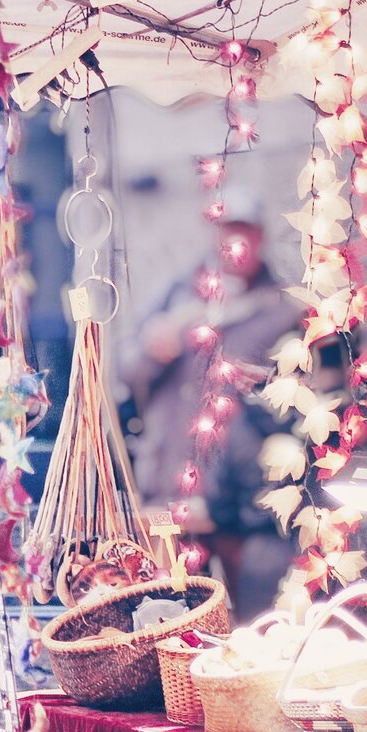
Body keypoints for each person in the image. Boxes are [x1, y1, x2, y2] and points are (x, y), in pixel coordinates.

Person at [121, 185, 303, 619]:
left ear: (260, 237)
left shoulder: (281, 310)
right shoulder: (176, 295)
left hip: (241, 500)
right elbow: (125, 371)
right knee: (165, 602)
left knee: (244, 612)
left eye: (245, 231)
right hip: (168, 485)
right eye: (226, 231)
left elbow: (296, 396)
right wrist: (152, 350)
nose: (235, 243)